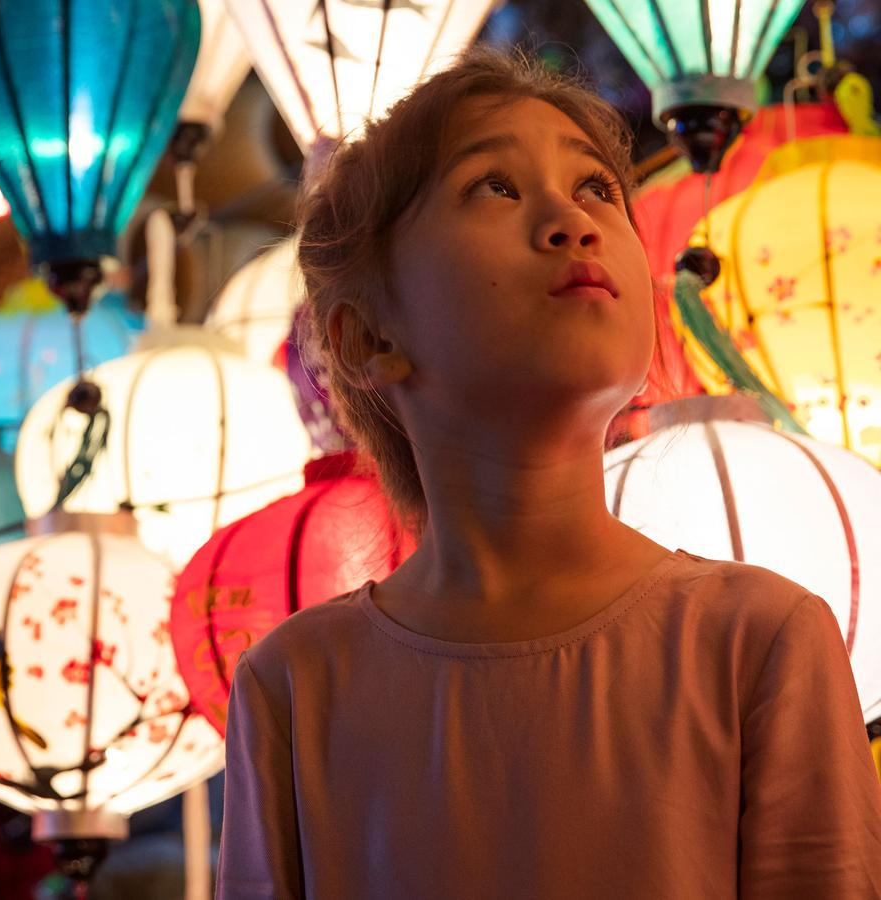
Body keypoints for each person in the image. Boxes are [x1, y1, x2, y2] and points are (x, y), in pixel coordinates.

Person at [216, 47, 881, 899]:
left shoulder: (761, 640)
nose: (573, 221)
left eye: (598, 188)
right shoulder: (296, 688)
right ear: (368, 336)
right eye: (494, 186)